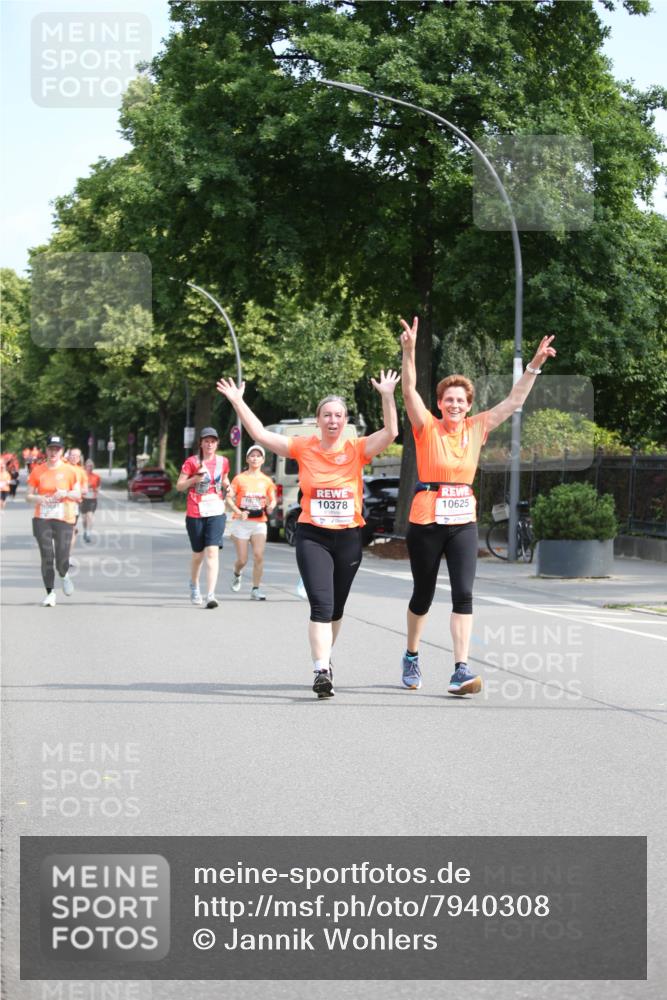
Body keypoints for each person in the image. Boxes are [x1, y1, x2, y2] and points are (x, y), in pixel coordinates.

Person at [217, 370, 400, 698]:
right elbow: (258, 432)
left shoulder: (357, 449)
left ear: (344, 421)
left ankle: (326, 660)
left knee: (337, 609)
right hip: (313, 535)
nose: (333, 420)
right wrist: (238, 401)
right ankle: (320, 670)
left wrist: (387, 395)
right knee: (320, 604)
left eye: (338, 415)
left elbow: (391, 431)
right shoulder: (303, 447)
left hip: (347, 537)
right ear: (318, 420)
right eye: (327, 415)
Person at [399, 316, 556, 696]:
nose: (454, 404)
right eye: (448, 399)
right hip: (425, 518)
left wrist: (534, 365)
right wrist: (408, 351)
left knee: (463, 594)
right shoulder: (426, 426)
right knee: (423, 594)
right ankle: (412, 654)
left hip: (462, 520)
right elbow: (408, 391)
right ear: (439, 404)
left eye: (461, 400)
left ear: (468, 406)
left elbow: (515, 401)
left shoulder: (477, 427)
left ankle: (460, 668)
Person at [176, 427, 241, 609]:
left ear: (217, 443)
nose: (209, 444)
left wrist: (228, 488)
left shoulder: (223, 462)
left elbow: (225, 480)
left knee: (212, 551)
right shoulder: (191, 462)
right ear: (201, 443)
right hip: (195, 512)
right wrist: (194, 480)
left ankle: (211, 594)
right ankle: (194, 585)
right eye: (206, 441)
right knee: (198, 555)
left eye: (213, 441)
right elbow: (179, 486)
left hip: (216, 511)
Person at [26, 435, 81, 606]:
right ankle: (50, 593)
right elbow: (28, 496)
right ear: (47, 450)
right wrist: (38, 499)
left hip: (64, 519)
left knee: (61, 560)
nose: (53, 452)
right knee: (46, 556)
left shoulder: (70, 471)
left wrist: (64, 493)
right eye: (51, 448)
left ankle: (64, 575)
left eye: (57, 449)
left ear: (62, 451)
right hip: (42, 518)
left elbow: (78, 494)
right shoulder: (38, 470)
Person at [229, 445, 277, 600]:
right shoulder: (239, 478)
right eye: (252, 455)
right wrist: (238, 512)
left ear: (263, 460)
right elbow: (228, 498)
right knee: (242, 560)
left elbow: (273, 499)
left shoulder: (267, 480)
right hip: (241, 523)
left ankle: (255, 589)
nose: (255, 458)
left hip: (259, 523)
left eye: (258, 456)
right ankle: (237, 573)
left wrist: (271, 506)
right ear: (247, 459)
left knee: (258, 555)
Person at [65, 448, 88, 552]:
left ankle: (67, 556)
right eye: (72, 455)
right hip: (60, 503)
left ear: (79, 458)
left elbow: (85, 489)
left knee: (71, 530)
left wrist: (74, 491)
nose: (74, 457)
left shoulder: (81, 471)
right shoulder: (62, 468)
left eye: (76, 456)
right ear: (68, 456)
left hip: (75, 503)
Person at [80, 459, 101, 542]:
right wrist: (84, 488)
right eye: (88, 466)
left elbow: (99, 487)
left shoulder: (97, 477)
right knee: (84, 519)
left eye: (92, 466)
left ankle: (88, 533)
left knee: (90, 516)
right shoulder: (82, 476)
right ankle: (85, 530)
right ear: (85, 466)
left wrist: (95, 489)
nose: (90, 468)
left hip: (92, 499)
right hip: (83, 499)